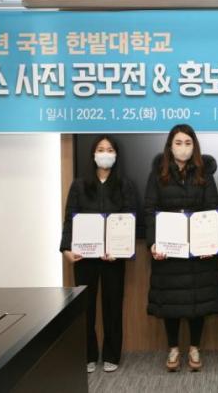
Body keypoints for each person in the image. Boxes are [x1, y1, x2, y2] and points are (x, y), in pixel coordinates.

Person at [144, 124, 218, 372]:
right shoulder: (157, 174)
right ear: (170, 146)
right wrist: (153, 243)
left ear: (194, 147)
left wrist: (210, 243)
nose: (183, 148)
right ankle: (173, 348)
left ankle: (194, 347)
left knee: (197, 303)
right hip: (168, 251)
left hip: (199, 251)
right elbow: (149, 210)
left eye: (188, 143)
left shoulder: (204, 173)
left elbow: (213, 208)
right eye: (178, 143)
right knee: (170, 302)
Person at [60, 135, 137, 374]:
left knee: (113, 306)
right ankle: (88, 355)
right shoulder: (79, 185)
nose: (105, 153)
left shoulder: (125, 185)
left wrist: (121, 251)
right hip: (84, 257)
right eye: (101, 149)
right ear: (93, 154)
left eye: (110, 149)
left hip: (113, 258)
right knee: (86, 307)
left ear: (116, 155)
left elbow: (130, 220)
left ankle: (112, 354)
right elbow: (69, 219)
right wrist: (66, 248)